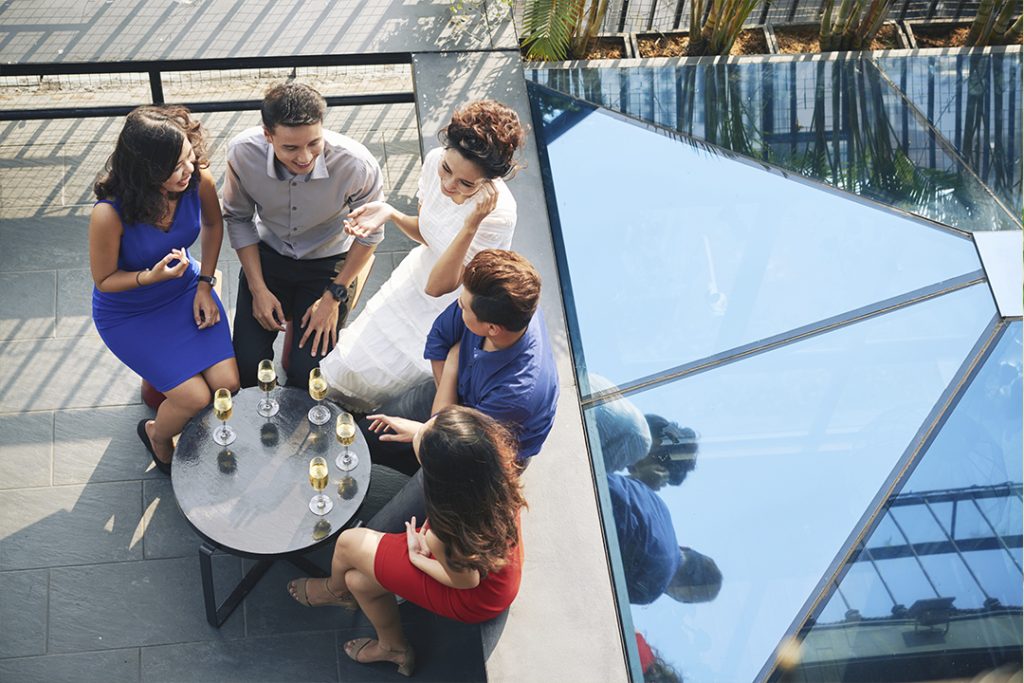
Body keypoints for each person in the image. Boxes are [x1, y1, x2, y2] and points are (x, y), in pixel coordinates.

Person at [286, 406, 526, 677]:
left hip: (473, 594)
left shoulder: (445, 533)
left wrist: (418, 559)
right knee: (358, 581)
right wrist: (422, 433)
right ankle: (393, 648)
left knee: (348, 543)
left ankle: (334, 590)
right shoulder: (492, 476)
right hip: (494, 574)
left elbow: (466, 580)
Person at [320, 100, 525, 412]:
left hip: (444, 307)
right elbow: (429, 234)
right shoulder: (432, 163)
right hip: (413, 276)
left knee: (389, 388)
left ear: (488, 182)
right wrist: (391, 213)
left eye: (465, 183)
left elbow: (439, 286)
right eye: (447, 169)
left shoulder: (498, 215)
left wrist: (471, 225)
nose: (448, 185)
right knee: (351, 361)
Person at [89, 105, 239, 474]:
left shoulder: (198, 180)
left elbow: (213, 225)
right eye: (175, 167)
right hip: (129, 311)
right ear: (145, 170)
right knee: (194, 398)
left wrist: (205, 284)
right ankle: (156, 434)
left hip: (185, 288)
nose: (188, 170)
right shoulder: (108, 214)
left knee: (227, 384)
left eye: (188, 156)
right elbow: (104, 281)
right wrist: (148, 277)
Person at [222, 82, 385, 387]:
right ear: (267, 135)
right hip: (268, 255)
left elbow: (370, 236)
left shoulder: (357, 165)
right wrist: (257, 289)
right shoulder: (242, 153)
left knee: (308, 376)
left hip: (328, 261)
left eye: (314, 143)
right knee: (248, 370)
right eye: (291, 148)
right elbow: (239, 219)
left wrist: (334, 296)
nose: (305, 157)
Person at [366, 249, 559, 478]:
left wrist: (451, 367)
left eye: (464, 306)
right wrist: (446, 397)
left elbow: (450, 437)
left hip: (483, 451)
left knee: (420, 490)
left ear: (492, 329)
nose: (458, 304)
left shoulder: (517, 394)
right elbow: (439, 338)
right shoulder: (503, 305)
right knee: (365, 437)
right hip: (458, 392)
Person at [608, 473, 722, 605]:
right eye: (686, 600)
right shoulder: (651, 589)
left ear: (686, 548)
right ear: (682, 596)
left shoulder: (661, 506)